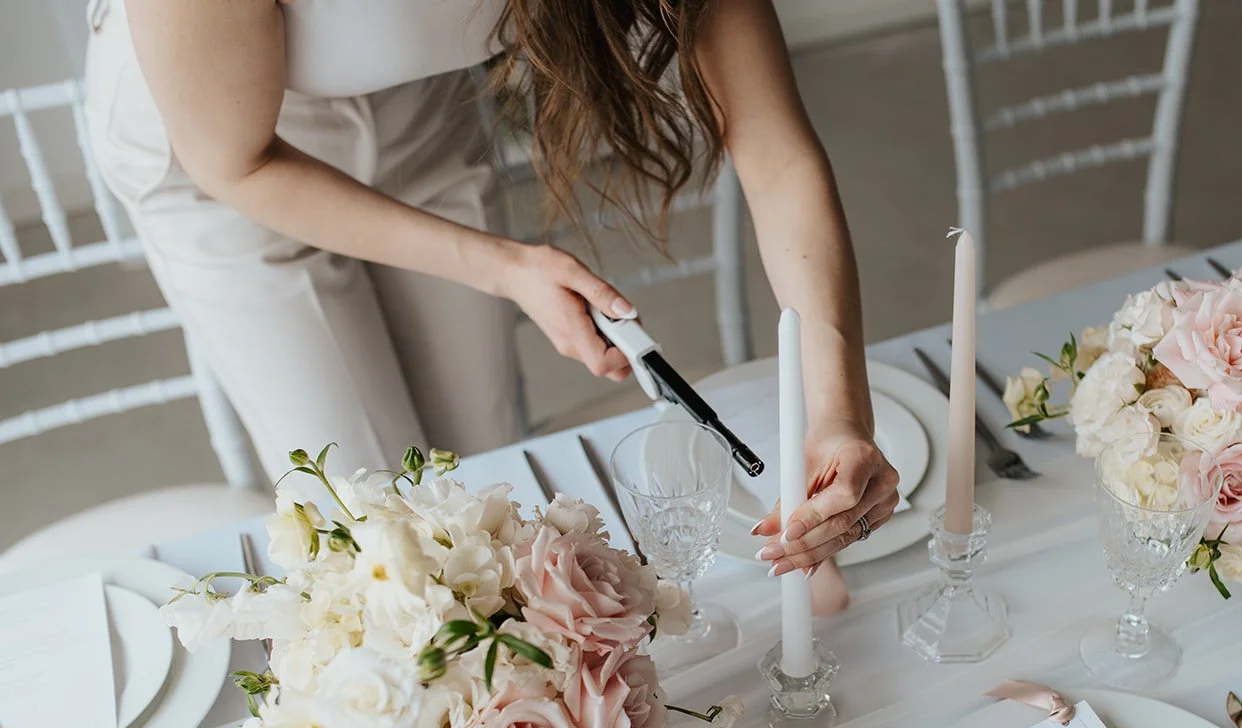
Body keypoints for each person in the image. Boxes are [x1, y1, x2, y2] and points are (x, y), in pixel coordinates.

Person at [83, 0, 897, 571]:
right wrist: (505, 267)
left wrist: (840, 412)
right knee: (374, 528)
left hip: (416, 111)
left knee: (484, 483)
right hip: (221, 157)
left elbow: (776, 149)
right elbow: (236, 160)